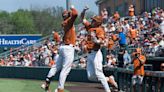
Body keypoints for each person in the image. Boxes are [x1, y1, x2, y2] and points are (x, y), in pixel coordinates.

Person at [41, 5, 78, 92]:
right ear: (68, 16)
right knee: (65, 70)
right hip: (68, 48)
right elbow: (75, 14)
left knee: (56, 67)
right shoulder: (69, 21)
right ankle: (60, 88)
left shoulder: (65, 22)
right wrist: (72, 8)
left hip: (63, 47)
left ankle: (47, 82)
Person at [81, 7, 118, 92]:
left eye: (93, 20)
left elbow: (102, 42)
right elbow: (82, 18)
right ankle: (109, 79)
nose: (92, 21)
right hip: (89, 54)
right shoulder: (90, 27)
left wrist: (96, 41)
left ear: (97, 22)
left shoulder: (100, 30)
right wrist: (83, 11)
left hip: (96, 53)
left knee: (99, 73)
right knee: (90, 76)